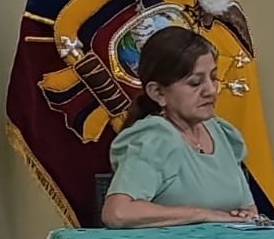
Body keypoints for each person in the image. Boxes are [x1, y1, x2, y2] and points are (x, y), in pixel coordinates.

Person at [100, 25, 260, 228]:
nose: (211, 90)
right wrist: (201, 215)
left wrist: (244, 216)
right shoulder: (155, 137)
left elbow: (249, 210)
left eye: (213, 77)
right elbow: (118, 213)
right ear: (158, 92)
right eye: (195, 83)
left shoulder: (222, 132)